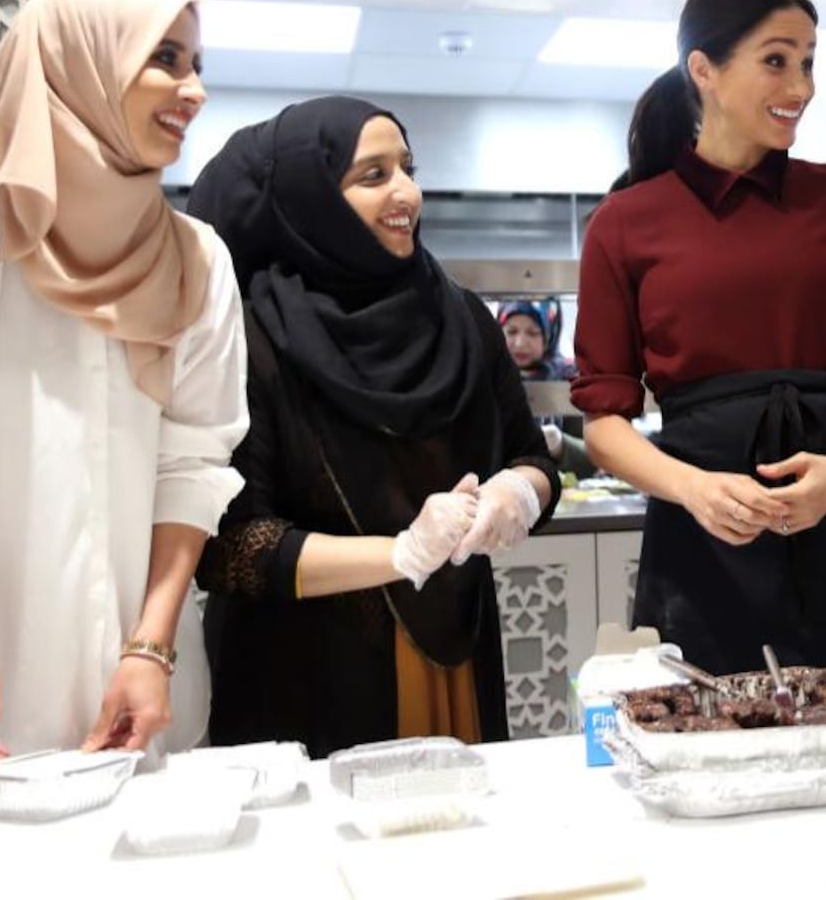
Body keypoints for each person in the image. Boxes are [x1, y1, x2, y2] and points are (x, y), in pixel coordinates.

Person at [0, 0, 248, 787]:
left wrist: (152, 646)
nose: (194, 91)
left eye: (197, 65)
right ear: (78, 62)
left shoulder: (198, 262)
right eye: (166, 59)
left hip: (135, 703)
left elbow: (191, 470)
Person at [573, 0, 826, 678]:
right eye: (776, 60)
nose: (802, 85)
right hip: (706, 538)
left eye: (810, 60)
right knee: (710, 748)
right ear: (705, 70)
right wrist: (694, 489)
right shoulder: (625, 224)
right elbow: (603, 423)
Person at [186, 96, 559, 756]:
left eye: (408, 168)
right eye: (373, 175)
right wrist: (398, 554)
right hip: (307, 672)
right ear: (311, 200)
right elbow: (230, 546)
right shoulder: (255, 335)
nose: (407, 193)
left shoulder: (463, 319)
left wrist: (518, 493)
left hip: (456, 646)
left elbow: (533, 456)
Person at [498, 299, 594, 478]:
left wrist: (561, 445)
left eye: (533, 333)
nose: (520, 343)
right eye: (511, 331)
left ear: (550, 333)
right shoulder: (488, 377)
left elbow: (597, 459)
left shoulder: (569, 381)